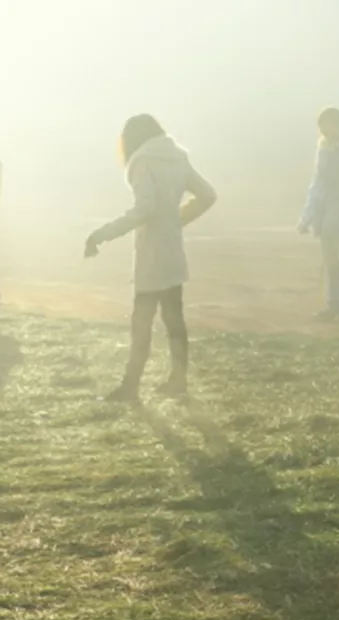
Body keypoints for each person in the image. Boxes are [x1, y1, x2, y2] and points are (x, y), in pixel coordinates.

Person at [84, 114, 217, 403]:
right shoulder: (178, 157)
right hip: (172, 248)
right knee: (174, 319)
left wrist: (102, 234)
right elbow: (208, 194)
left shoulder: (142, 161)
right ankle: (178, 380)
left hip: (151, 252)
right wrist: (177, 219)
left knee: (141, 320)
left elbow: (144, 208)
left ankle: (130, 386)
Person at [297, 107, 339, 321]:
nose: (322, 131)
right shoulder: (324, 148)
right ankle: (334, 305)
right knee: (331, 261)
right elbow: (317, 182)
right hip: (327, 213)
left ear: (336, 124)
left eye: (324, 126)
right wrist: (307, 216)